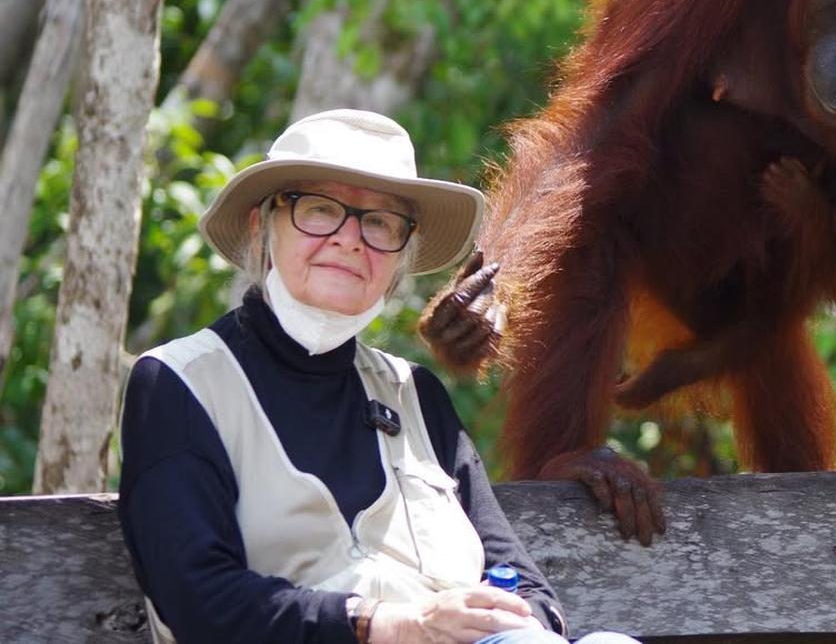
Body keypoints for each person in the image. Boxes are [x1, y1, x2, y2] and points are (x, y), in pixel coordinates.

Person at [118, 109, 639, 644]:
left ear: (401, 258)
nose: (350, 239)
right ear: (262, 226)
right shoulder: (181, 385)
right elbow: (198, 600)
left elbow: (525, 584)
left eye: (380, 223)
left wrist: (516, 621)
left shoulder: (416, 395)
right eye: (320, 210)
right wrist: (392, 624)